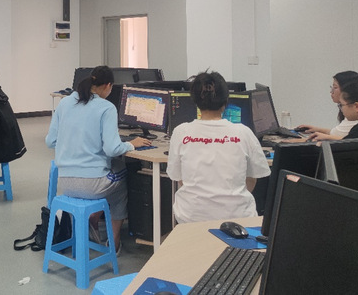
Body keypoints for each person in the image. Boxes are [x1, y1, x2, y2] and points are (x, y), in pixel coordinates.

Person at [45, 65, 151, 254]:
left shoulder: (65, 103)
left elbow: (50, 141)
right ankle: (114, 241)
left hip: (66, 183)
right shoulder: (106, 107)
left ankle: (93, 220)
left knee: (112, 171)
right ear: (108, 86)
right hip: (91, 185)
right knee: (121, 178)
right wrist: (131, 144)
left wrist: (75, 141)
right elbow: (112, 149)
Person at [166, 71, 270, 224]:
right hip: (237, 218)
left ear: (194, 101)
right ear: (226, 100)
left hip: (191, 218)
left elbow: (179, 178)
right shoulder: (243, 133)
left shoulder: (180, 132)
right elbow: (252, 179)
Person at [299, 70, 358, 142]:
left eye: (342, 105)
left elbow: (346, 143)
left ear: (357, 107)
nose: (331, 91)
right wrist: (319, 131)